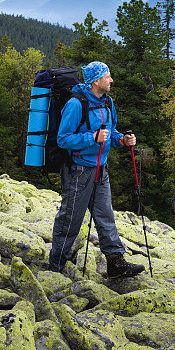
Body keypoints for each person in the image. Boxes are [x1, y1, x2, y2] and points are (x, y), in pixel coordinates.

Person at [48, 61, 145, 278]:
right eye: (108, 76)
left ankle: (115, 263)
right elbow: (63, 139)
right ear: (96, 80)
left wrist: (123, 140)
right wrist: (91, 137)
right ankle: (55, 266)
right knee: (70, 219)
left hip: (101, 169)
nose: (111, 80)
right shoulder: (75, 104)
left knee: (105, 216)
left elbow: (111, 132)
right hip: (78, 170)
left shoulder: (107, 103)